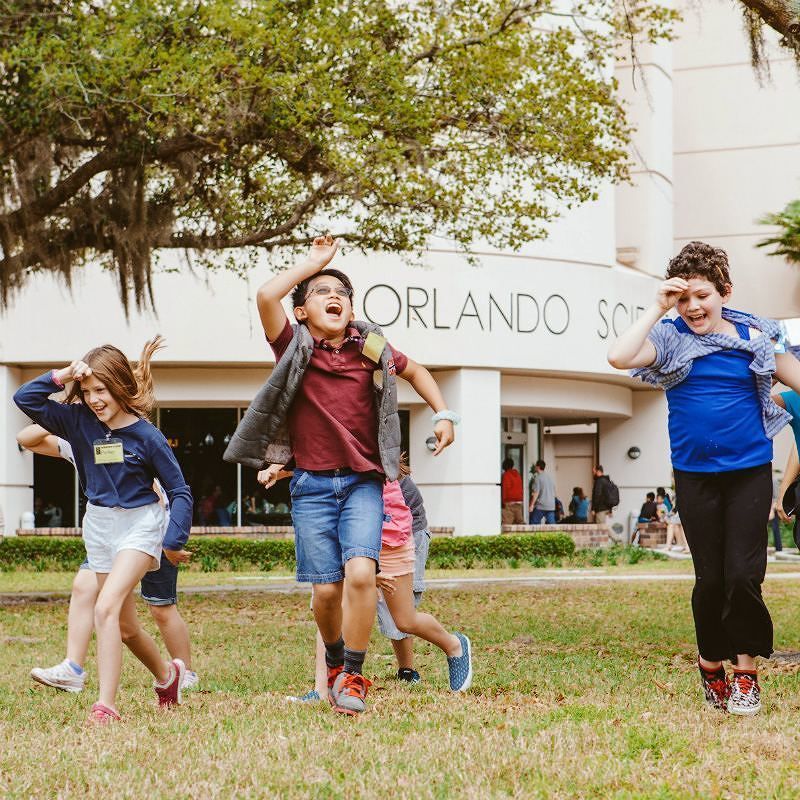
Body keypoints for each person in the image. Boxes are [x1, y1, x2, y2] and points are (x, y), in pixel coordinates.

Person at [225, 234, 458, 716]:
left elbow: (416, 371)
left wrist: (443, 414)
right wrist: (313, 263)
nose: (334, 297)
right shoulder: (293, 346)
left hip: (362, 483)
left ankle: (352, 673)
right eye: (321, 292)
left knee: (361, 574)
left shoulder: (369, 346)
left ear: (351, 308)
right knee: (326, 592)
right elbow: (266, 296)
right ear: (302, 312)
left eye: (342, 293)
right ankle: (334, 663)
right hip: (311, 486)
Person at [608, 240, 800, 716]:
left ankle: (746, 673)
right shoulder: (670, 337)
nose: (692, 307)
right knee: (710, 580)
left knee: (743, 575)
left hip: (749, 471)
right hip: (694, 475)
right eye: (683, 298)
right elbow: (618, 356)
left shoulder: (756, 336)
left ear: (724, 292)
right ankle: (711, 661)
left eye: (702, 295)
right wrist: (657, 307)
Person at [14, 337, 194, 724]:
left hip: (140, 523)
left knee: (105, 607)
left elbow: (180, 491)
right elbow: (25, 399)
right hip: (98, 525)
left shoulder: (147, 436)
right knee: (126, 627)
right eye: (88, 391)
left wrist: (172, 539)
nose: (94, 399)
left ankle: (106, 705)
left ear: (120, 386)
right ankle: (168, 677)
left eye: (102, 390)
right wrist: (63, 374)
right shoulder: (78, 422)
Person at [17, 424, 198, 694]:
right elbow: (26, 439)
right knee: (85, 589)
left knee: (160, 608)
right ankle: (73, 668)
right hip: (108, 534)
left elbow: (156, 492)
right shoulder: (77, 440)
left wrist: (168, 540)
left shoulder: (126, 436)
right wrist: (59, 416)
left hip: (149, 531)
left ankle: (186, 672)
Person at [287, 467, 471, 704]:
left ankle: (454, 645)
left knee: (404, 620)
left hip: (391, 537)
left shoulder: (378, 465)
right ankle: (322, 691)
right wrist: (275, 468)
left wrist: (370, 571)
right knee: (331, 611)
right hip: (351, 538)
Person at [528, 460, 556, 524]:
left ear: (538, 467)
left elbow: (536, 493)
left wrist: (531, 505)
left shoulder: (538, 478)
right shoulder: (550, 478)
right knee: (552, 525)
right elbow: (554, 492)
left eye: (536, 466)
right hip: (551, 505)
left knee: (533, 522)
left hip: (541, 505)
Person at [500, 457, 524, 525]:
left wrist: (503, 502)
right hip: (519, 502)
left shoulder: (506, 475)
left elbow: (505, 489)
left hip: (509, 502)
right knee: (519, 523)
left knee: (507, 524)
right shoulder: (518, 475)